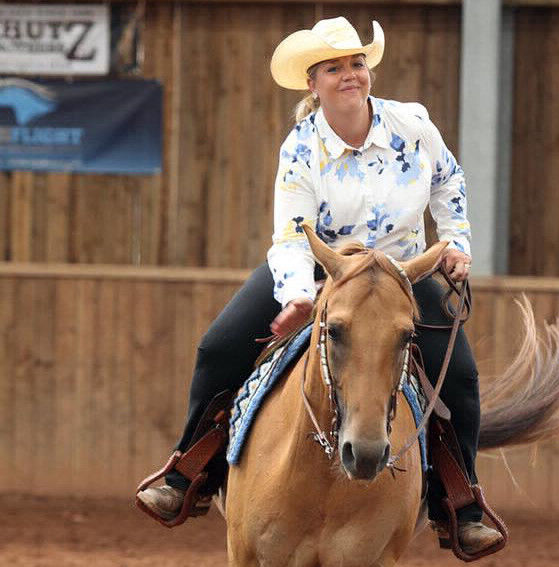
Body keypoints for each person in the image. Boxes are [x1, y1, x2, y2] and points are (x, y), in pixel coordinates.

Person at [138, 16, 503, 555]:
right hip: (317, 269)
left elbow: (449, 178)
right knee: (218, 347)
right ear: (313, 83)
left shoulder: (413, 125)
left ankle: (460, 501)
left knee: (462, 379)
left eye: (357, 64)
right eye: (335, 68)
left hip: (400, 271)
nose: (350, 75)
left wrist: (455, 242)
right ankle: (190, 470)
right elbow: (289, 235)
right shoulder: (301, 147)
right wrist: (297, 296)